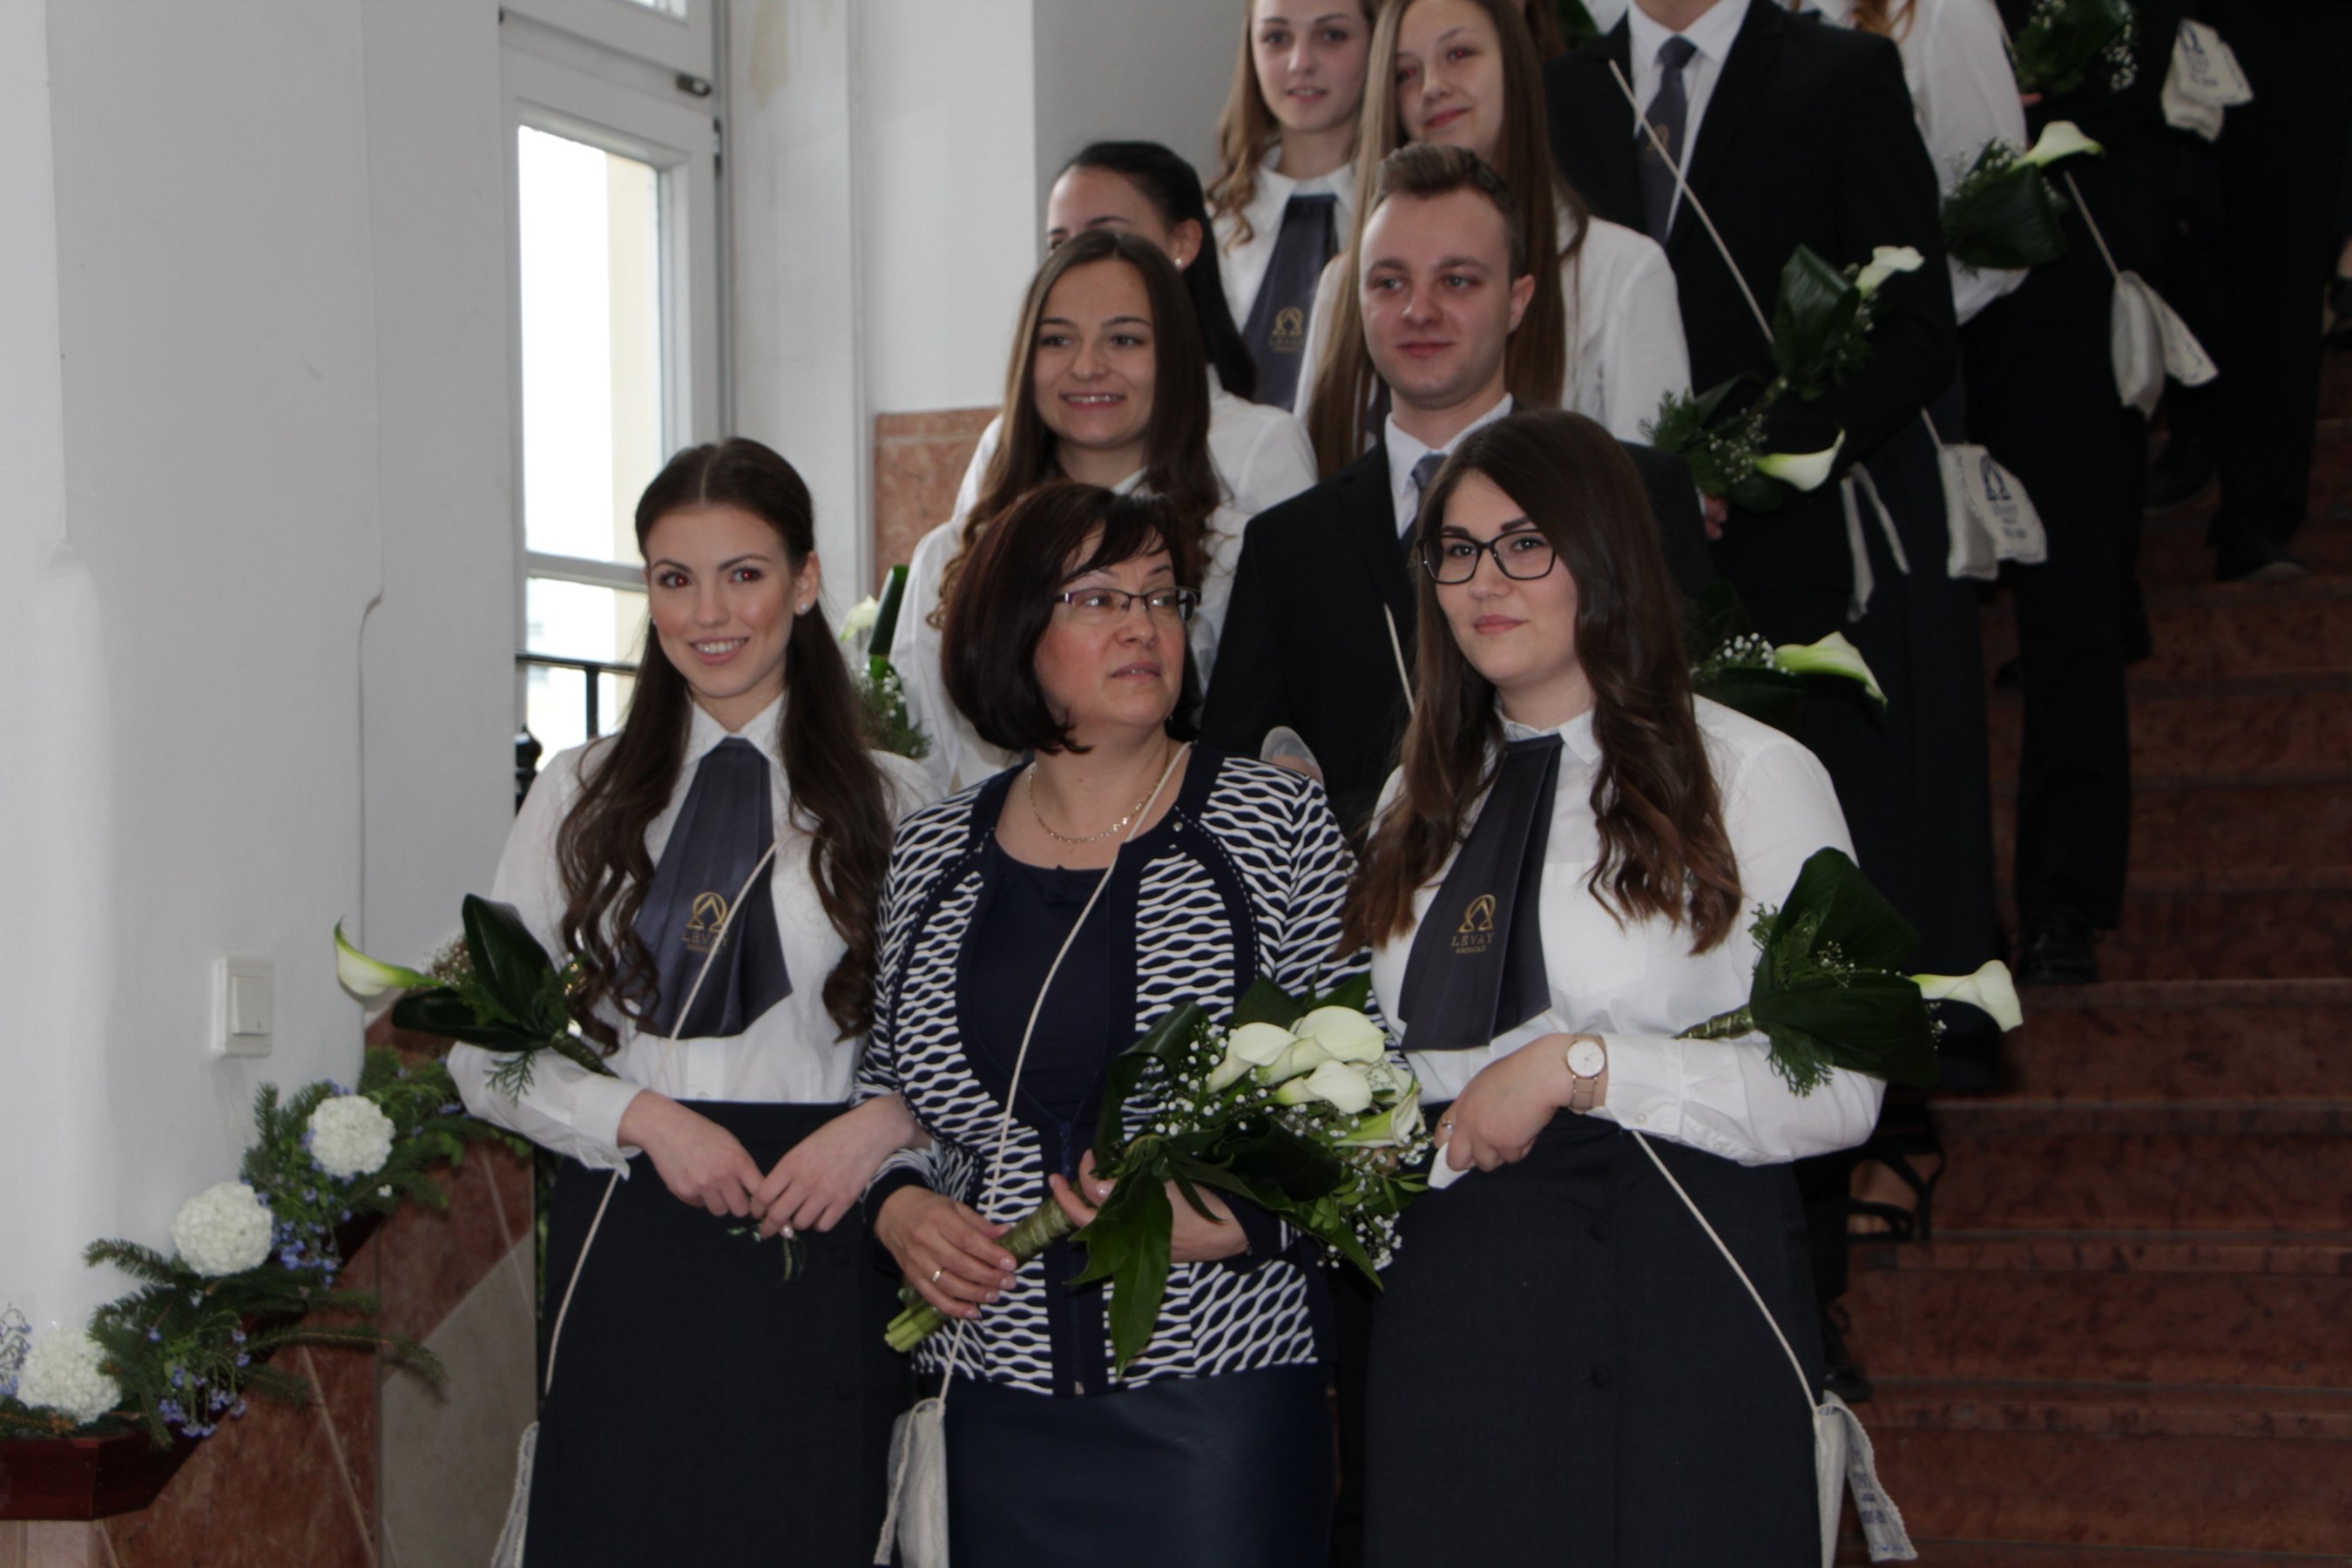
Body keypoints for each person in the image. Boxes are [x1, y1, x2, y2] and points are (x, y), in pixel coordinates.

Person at [1343, 408, 1882, 1565]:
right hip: (1459, 1299)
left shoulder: (1751, 776)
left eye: (1526, 543)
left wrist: (1582, 1069)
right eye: (1457, 549)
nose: (1486, 580)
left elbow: (1845, 1086)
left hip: (1675, 1279)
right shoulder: (1411, 800)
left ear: (1605, 553)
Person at [447, 439, 932, 1566]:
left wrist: (878, 1127)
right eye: (675, 578)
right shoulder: (576, 792)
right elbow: (480, 1048)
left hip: (823, 1228)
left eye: (743, 574)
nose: (708, 613)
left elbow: (957, 1051)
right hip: (632, 1225)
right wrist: (642, 1119)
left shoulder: (898, 799)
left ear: (805, 583)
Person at [858, 483, 1358, 1568]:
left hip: (1215, 1399)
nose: (1143, 624)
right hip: (983, 1396)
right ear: (1014, 631)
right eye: (1097, 598)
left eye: (1162, 597)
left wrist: (1252, 1218)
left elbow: (1375, 1091)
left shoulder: (1273, 822)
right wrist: (899, 1211)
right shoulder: (933, 852)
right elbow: (887, 1090)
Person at [1204, 143, 1709, 836]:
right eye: (1389, 282)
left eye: (1458, 281)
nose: (1420, 309)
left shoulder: (1636, 492)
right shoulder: (1287, 546)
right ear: (1357, 301)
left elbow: (1706, 720)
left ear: (1518, 300)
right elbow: (1231, 793)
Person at [900, 229, 1250, 794]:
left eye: (1125, 340)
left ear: (1176, 357)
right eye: (1058, 340)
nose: (1087, 367)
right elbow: (919, 766)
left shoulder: (1239, 549)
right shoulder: (950, 553)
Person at [1299, 0, 1690, 463]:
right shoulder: (1343, 283)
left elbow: (1652, 494)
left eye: (1459, 54)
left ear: (1515, 66)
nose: (1432, 87)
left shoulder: (1622, 271)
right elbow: (1313, 483)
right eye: (1406, 73)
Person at [949, 143, 1318, 529]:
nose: (1082, 258)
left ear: (1182, 243)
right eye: (1058, 244)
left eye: (1106, 233)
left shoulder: (1257, 444)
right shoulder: (1007, 443)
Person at [1208, 0, 1380, 409]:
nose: (1300, 62)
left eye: (1332, 35)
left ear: (1377, 43)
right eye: (1277, 37)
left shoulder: (1411, 216)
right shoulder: (1206, 226)